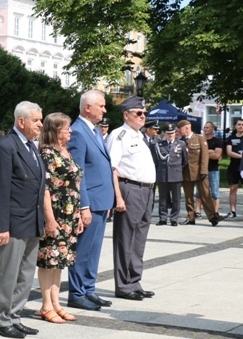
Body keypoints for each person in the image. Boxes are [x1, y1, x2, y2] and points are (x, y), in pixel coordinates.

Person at [0, 101, 43, 339]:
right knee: (8, 273)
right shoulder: (6, 147)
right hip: (14, 222)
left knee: (26, 273)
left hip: (32, 220)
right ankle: (1, 319)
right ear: (21, 122)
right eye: (36, 120)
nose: (40, 124)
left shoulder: (32, 146)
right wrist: (1, 227)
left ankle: (14, 315)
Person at [66, 90, 115, 311]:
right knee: (83, 249)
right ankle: (76, 293)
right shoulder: (77, 132)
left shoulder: (94, 131)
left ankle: (88, 289)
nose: (104, 110)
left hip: (101, 201)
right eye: (101, 106)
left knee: (94, 250)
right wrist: (83, 205)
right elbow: (79, 172)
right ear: (88, 107)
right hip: (90, 202)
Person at [106, 96, 157, 301]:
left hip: (146, 190)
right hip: (130, 189)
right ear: (126, 115)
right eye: (138, 113)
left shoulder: (139, 136)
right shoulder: (119, 135)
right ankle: (124, 285)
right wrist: (118, 197)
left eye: (144, 113)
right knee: (126, 238)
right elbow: (113, 168)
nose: (143, 116)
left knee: (139, 238)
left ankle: (134, 281)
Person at [37, 112, 83, 323]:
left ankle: (56, 302)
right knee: (49, 259)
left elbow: (75, 184)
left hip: (69, 213)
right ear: (55, 130)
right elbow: (45, 189)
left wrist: (79, 214)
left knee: (60, 260)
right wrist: (49, 219)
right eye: (66, 128)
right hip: (55, 213)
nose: (70, 131)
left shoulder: (64, 151)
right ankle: (46, 305)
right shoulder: (46, 153)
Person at [178, 119, 221, 226]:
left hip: (199, 172)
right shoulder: (180, 141)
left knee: (205, 195)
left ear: (187, 128)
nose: (179, 131)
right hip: (186, 172)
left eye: (181, 129)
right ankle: (190, 217)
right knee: (188, 197)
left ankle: (212, 217)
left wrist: (203, 170)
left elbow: (205, 156)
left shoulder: (200, 138)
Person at [152, 124, 187, 226]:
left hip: (176, 174)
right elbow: (156, 160)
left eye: (172, 133)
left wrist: (178, 169)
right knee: (162, 198)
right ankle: (162, 218)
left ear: (175, 133)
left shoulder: (181, 144)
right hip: (163, 174)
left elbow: (185, 160)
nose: (170, 135)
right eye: (168, 133)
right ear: (165, 134)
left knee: (176, 198)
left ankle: (174, 218)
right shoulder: (160, 145)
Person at [196, 122, 222, 217]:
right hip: (201, 169)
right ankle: (198, 211)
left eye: (207, 127)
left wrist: (204, 153)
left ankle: (215, 212)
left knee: (215, 192)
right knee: (199, 192)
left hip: (213, 169)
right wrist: (210, 151)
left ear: (212, 129)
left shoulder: (217, 141)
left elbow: (217, 155)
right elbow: (197, 154)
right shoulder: (199, 140)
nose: (205, 129)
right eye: (204, 127)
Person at [225, 118, 243, 219]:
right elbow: (229, 152)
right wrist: (240, 156)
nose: (241, 126)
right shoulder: (231, 138)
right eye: (239, 124)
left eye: (242, 125)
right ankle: (232, 211)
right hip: (234, 166)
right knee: (233, 189)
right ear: (235, 126)